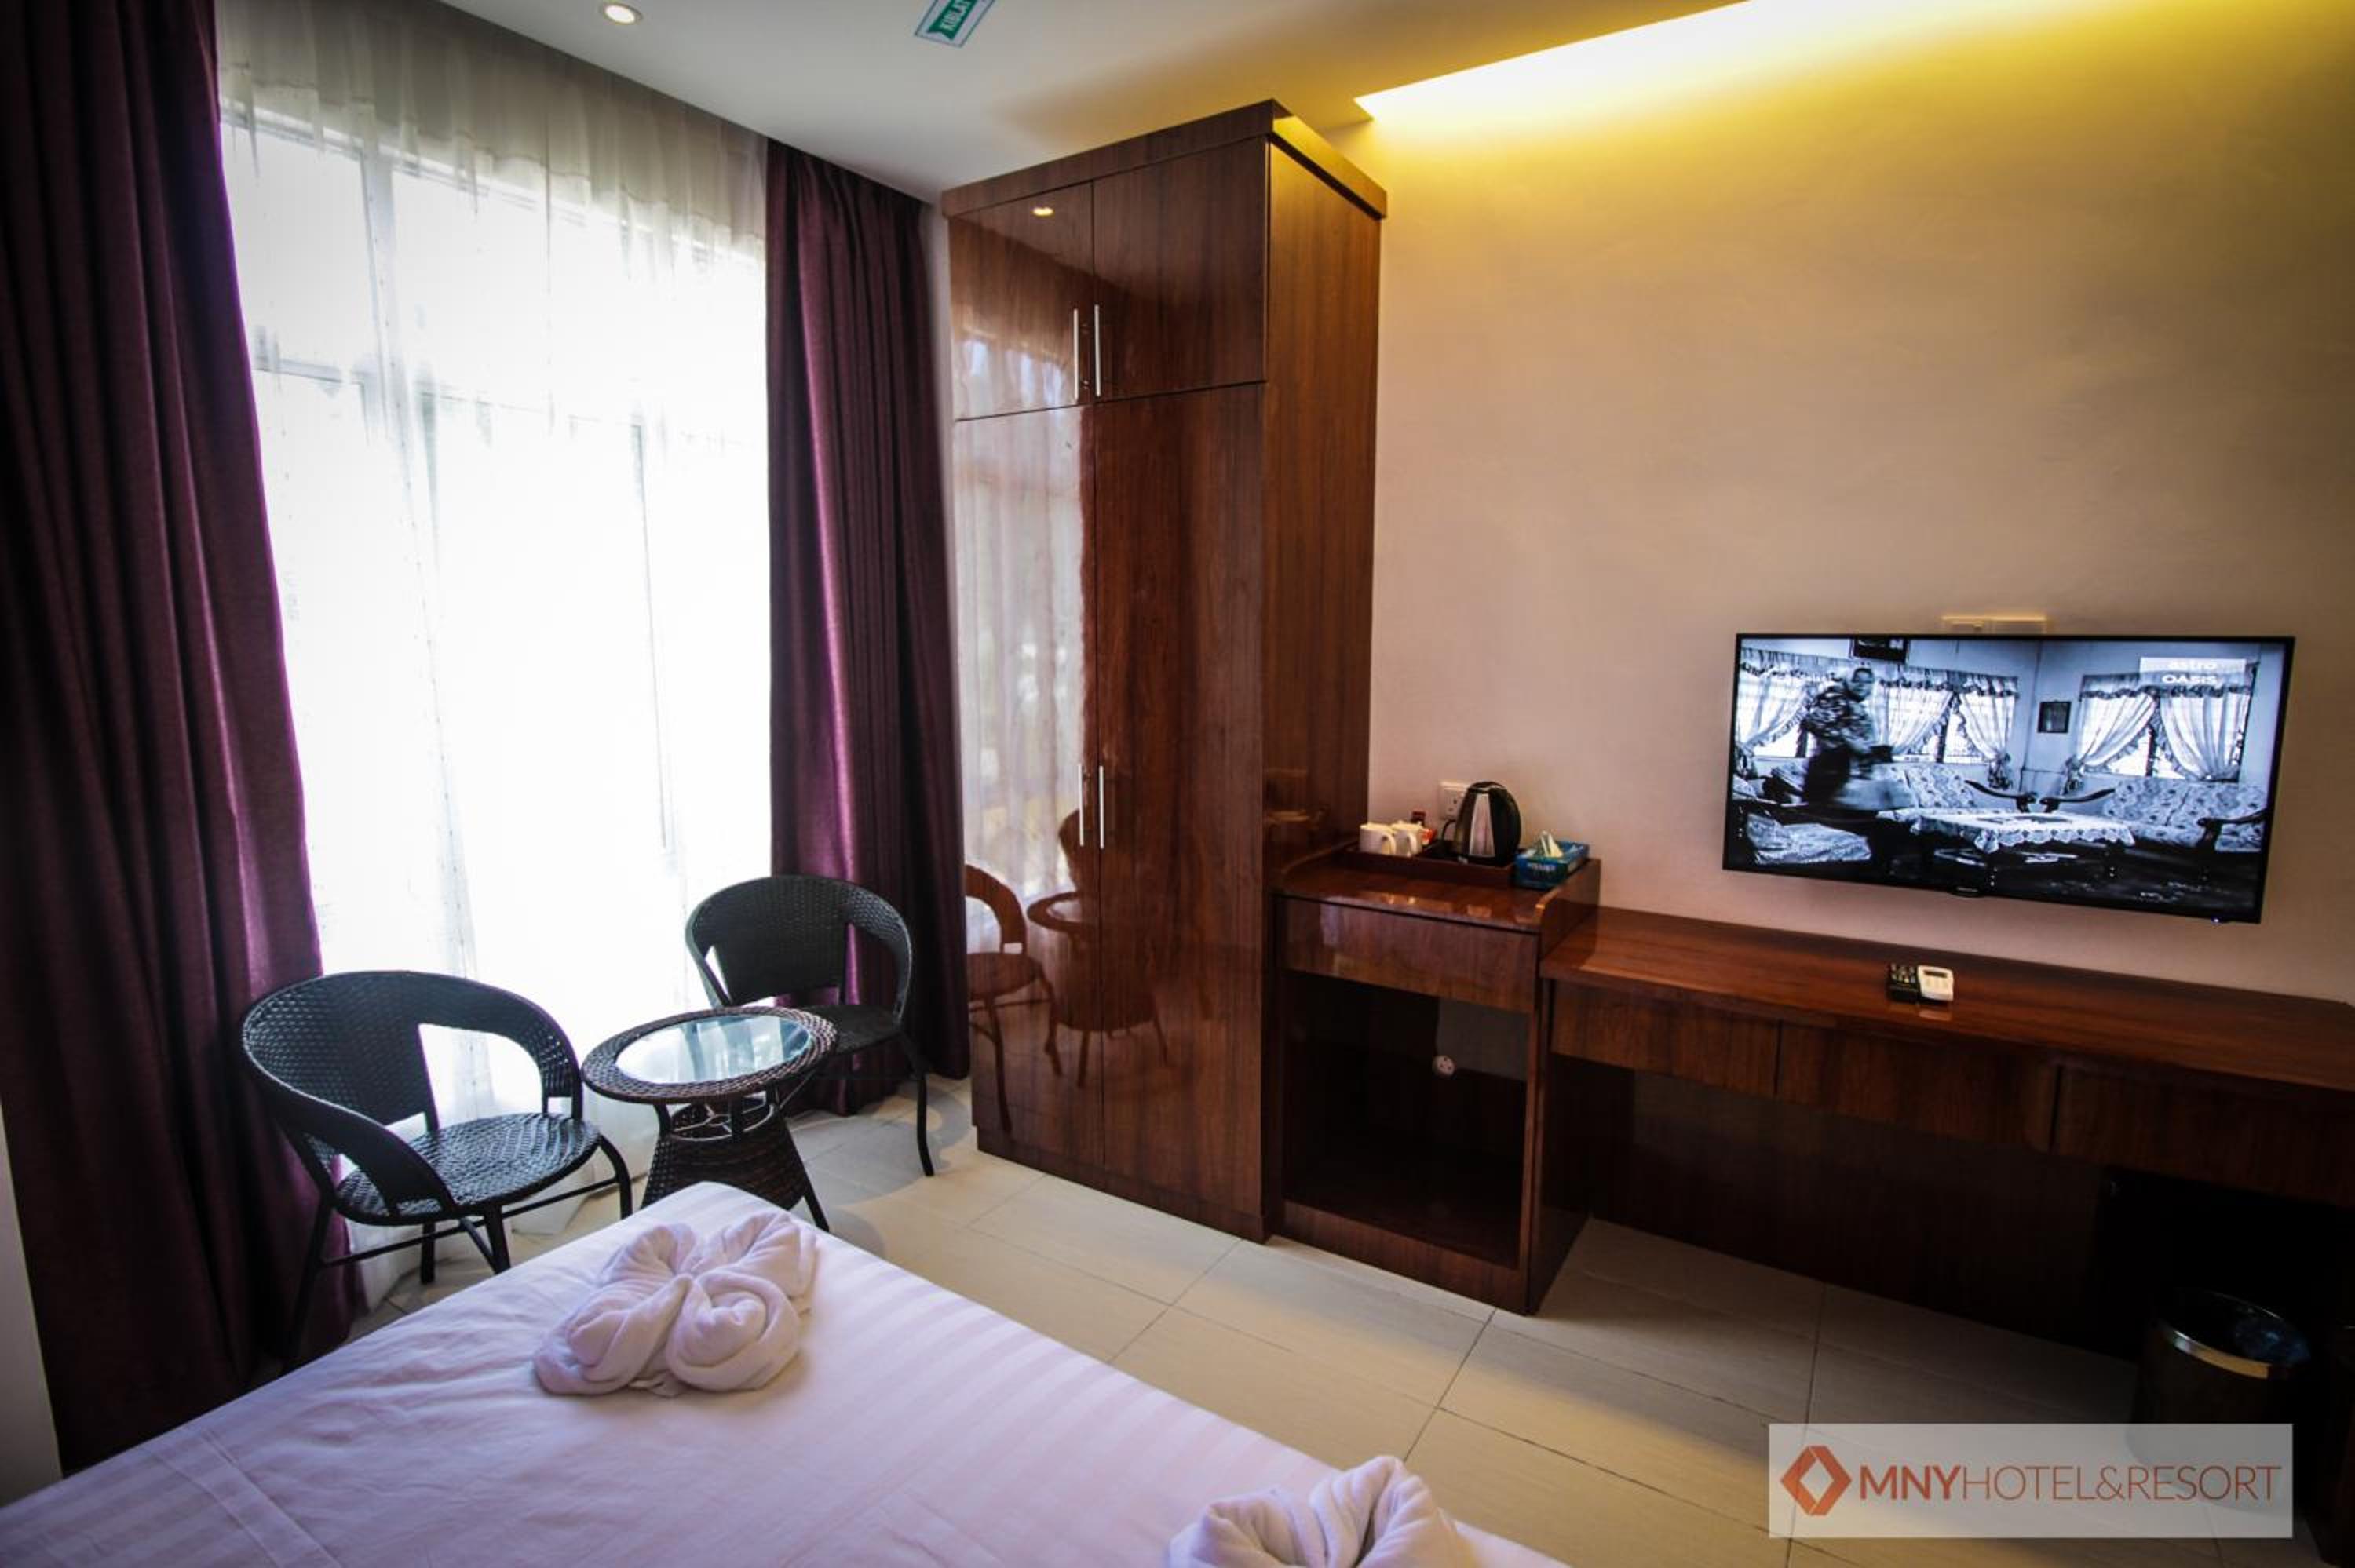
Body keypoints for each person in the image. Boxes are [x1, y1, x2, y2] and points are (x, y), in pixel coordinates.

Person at [1798, 666, 1888, 805]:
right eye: (1856, 680)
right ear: (1847, 680)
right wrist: (1849, 740)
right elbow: (1810, 722)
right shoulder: (1837, 698)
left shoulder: (1854, 703)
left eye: (1867, 682)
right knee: (1827, 813)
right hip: (1831, 768)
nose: (1861, 685)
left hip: (1846, 770)